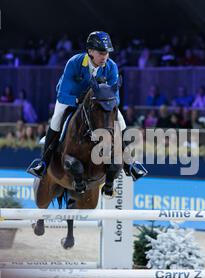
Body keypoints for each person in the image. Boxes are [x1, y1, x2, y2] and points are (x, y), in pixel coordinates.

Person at [27, 31, 147, 181]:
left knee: (120, 122)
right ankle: (43, 162)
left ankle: (130, 163)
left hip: (97, 102)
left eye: (107, 53)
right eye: (101, 52)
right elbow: (63, 94)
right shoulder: (74, 63)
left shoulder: (111, 67)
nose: (105, 56)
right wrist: (78, 101)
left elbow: (115, 98)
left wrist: (108, 103)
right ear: (90, 51)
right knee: (57, 119)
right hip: (71, 99)